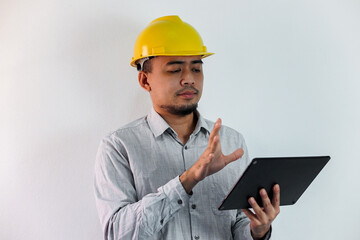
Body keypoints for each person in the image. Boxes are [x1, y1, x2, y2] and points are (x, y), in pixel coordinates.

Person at [94, 15, 280, 240]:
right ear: (145, 81)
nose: (188, 79)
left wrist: (257, 231)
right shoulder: (119, 147)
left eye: (196, 69)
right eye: (175, 70)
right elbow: (117, 233)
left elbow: (238, 225)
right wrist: (188, 179)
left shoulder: (232, 142)